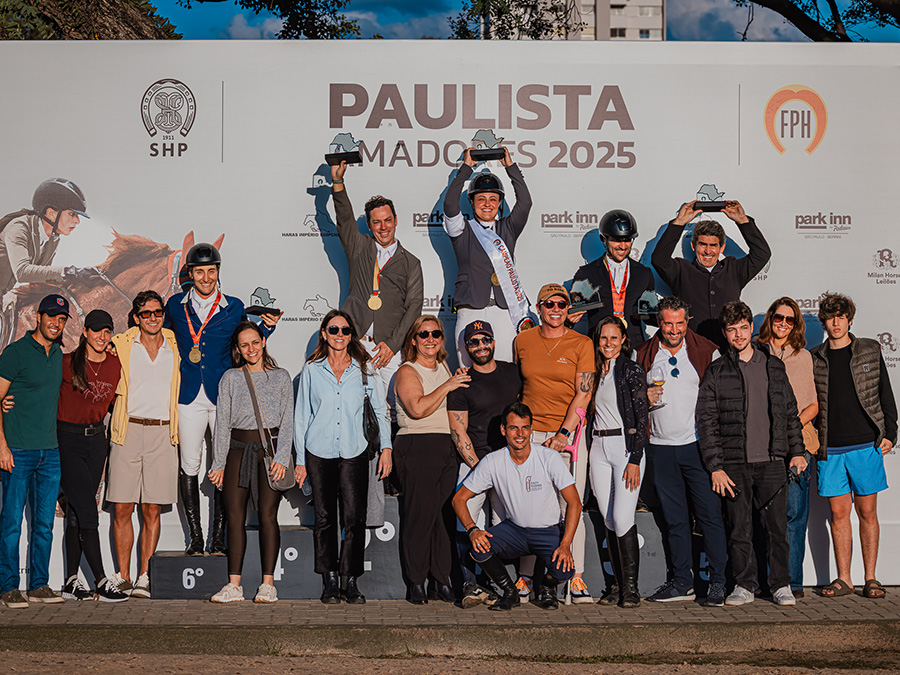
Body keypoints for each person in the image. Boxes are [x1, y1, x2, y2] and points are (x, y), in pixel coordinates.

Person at [165, 243, 280, 556]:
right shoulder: (174, 305)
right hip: (189, 395)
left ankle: (217, 537)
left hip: (224, 398)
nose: (206, 278)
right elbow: (159, 339)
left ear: (218, 272)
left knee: (225, 464)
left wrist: (266, 329)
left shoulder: (233, 306)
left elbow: (247, 341)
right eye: (199, 272)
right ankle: (195, 538)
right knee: (189, 464)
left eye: (211, 271)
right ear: (191, 274)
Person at [696, 301, 807, 607]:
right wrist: (715, 467)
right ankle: (744, 585)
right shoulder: (716, 371)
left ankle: (780, 585)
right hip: (734, 464)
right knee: (739, 529)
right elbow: (707, 421)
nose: (739, 334)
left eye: (743, 328)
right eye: (732, 329)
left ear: (751, 328)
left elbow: (789, 412)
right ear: (725, 333)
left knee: (777, 529)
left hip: (773, 461)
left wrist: (797, 451)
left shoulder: (773, 365)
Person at [293, 310, 392, 604]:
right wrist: (300, 460)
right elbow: (302, 416)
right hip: (318, 451)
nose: (340, 335)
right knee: (324, 517)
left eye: (345, 330)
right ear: (324, 333)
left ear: (351, 335)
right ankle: (330, 579)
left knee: (354, 517)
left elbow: (380, 411)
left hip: (354, 450)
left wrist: (386, 448)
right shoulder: (312, 370)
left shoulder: (365, 368)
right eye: (334, 329)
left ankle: (351, 580)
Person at [634, 296, 727, 607]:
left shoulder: (707, 351)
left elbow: (719, 401)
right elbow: (630, 400)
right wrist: (643, 396)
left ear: (688, 322)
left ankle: (718, 581)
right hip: (660, 449)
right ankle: (682, 582)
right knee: (675, 521)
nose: (673, 330)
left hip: (697, 447)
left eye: (679, 323)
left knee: (710, 516)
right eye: (667, 323)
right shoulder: (642, 353)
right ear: (658, 323)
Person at [452, 402, 581, 611]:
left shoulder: (549, 457)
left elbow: (575, 502)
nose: (520, 434)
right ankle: (510, 593)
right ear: (503, 430)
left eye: (525, 428)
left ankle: (547, 587)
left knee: (564, 571)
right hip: (515, 530)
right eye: (513, 428)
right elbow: (458, 499)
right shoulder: (493, 461)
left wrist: (565, 544)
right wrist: (472, 529)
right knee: (478, 548)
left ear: (531, 429)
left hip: (547, 531)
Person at [810, 293, 897, 600]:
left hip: (865, 443)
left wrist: (891, 432)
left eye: (841, 317)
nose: (836, 322)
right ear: (824, 322)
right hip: (830, 447)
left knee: (867, 512)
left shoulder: (869, 349)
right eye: (830, 317)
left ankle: (871, 578)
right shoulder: (814, 357)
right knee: (838, 514)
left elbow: (885, 393)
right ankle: (844, 579)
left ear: (849, 320)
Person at [513, 283, 594, 603]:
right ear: (539, 308)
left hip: (567, 436)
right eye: (549, 304)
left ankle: (576, 577)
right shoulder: (522, 340)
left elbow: (584, 393)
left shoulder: (582, 343)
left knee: (570, 506)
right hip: (530, 436)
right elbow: (518, 387)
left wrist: (563, 434)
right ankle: (525, 577)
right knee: (529, 508)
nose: (556, 309)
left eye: (562, 304)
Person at [208, 322, 295, 604]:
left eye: (255, 342)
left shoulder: (281, 377)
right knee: (234, 516)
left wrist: (282, 457)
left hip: (269, 453)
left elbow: (288, 421)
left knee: (268, 515)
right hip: (237, 451)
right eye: (244, 345)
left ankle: (268, 585)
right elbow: (222, 423)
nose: (251, 349)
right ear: (238, 348)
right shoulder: (231, 378)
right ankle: (234, 585)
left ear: (263, 342)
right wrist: (218, 463)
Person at [330, 161, 424, 417]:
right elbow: (345, 219)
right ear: (370, 226)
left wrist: (392, 346)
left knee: (392, 411)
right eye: (377, 222)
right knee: (349, 407)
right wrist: (338, 183)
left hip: (388, 348)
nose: (383, 227)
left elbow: (414, 306)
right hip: (354, 342)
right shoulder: (359, 247)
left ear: (396, 220)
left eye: (388, 220)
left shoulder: (411, 262)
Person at [107, 291, 180, 599]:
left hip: (163, 432)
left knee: (152, 509)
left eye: (157, 312)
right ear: (136, 317)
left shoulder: (175, 343)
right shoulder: (121, 344)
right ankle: (123, 577)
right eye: (146, 313)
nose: (153, 317)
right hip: (127, 430)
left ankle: (144, 576)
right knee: (122, 507)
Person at [394, 315, 470, 604]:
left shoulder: (444, 367)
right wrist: (448, 385)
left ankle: (441, 580)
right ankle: (416, 581)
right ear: (414, 340)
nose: (430, 339)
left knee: (443, 517)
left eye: (435, 334)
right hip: (417, 444)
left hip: (445, 445)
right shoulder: (407, 371)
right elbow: (417, 408)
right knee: (419, 517)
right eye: (423, 334)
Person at [0, 294, 69, 608]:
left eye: (62, 318)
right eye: (51, 316)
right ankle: (8, 587)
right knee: (12, 524)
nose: (56, 323)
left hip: (50, 452)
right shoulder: (15, 353)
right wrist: (2, 446)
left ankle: (39, 584)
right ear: (38, 317)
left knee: (44, 525)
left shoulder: (58, 353)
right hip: (17, 450)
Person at [447, 320, 522, 607]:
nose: (481, 346)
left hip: (510, 461)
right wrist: (479, 467)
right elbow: (458, 430)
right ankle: (469, 583)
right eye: (474, 342)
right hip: (474, 462)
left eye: (485, 340)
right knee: (466, 519)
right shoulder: (462, 382)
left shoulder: (513, 372)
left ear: (493, 342)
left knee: (504, 523)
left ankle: (504, 584)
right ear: (466, 348)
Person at [57, 310, 128, 602]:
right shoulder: (66, 363)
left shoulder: (115, 364)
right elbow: (40, 391)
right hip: (68, 440)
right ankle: (100, 580)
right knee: (87, 510)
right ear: (85, 332)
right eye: (96, 330)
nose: (102, 336)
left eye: (107, 331)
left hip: (97, 441)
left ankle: (71, 581)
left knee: (77, 511)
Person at [443, 147, 534, 364]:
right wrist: (466, 168)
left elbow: (525, 203)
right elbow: (450, 205)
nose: (487, 204)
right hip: (471, 308)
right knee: (469, 370)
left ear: (500, 203)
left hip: (505, 310)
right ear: (472, 202)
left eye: (493, 199)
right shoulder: (461, 230)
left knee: (505, 367)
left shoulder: (508, 228)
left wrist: (509, 166)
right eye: (481, 199)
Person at [756, 297, 819, 598]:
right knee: (764, 515)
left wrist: (787, 428)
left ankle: (791, 582)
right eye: (778, 317)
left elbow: (813, 405)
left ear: (796, 325)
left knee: (794, 515)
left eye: (789, 319)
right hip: (761, 445)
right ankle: (764, 580)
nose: (783, 324)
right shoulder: (754, 351)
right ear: (770, 319)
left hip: (798, 445)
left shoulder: (802, 357)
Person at [651, 200, 770, 348]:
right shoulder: (681, 270)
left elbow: (762, 254)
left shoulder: (734, 269)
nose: (708, 251)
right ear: (693, 245)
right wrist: (679, 223)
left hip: (728, 351)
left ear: (722, 247)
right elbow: (659, 259)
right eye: (703, 244)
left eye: (713, 245)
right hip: (692, 351)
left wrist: (743, 221)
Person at [589, 316, 649, 608]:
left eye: (614, 338)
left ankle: (631, 589)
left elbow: (642, 417)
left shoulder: (631, 370)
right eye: (604, 338)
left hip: (625, 448)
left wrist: (635, 458)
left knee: (624, 518)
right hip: (598, 447)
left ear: (624, 340)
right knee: (609, 519)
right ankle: (615, 586)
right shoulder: (593, 370)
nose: (608, 343)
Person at [0, 179, 94, 310]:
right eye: (72, 214)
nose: (77, 221)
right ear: (51, 214)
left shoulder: (52, 239)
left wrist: (77, 280)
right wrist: (67, 271)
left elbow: (40, 278)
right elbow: (22, 272)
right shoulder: (18, 228)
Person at [570, 210, 655, 345]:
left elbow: (650, 316)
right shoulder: (586, 274)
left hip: (633, 347)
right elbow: (572, 315)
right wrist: (568, 319)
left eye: (627, 240)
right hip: (601, 347)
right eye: (616, 240)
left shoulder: (644, 273)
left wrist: (663, 315)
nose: (622, 246)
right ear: (604, 239)